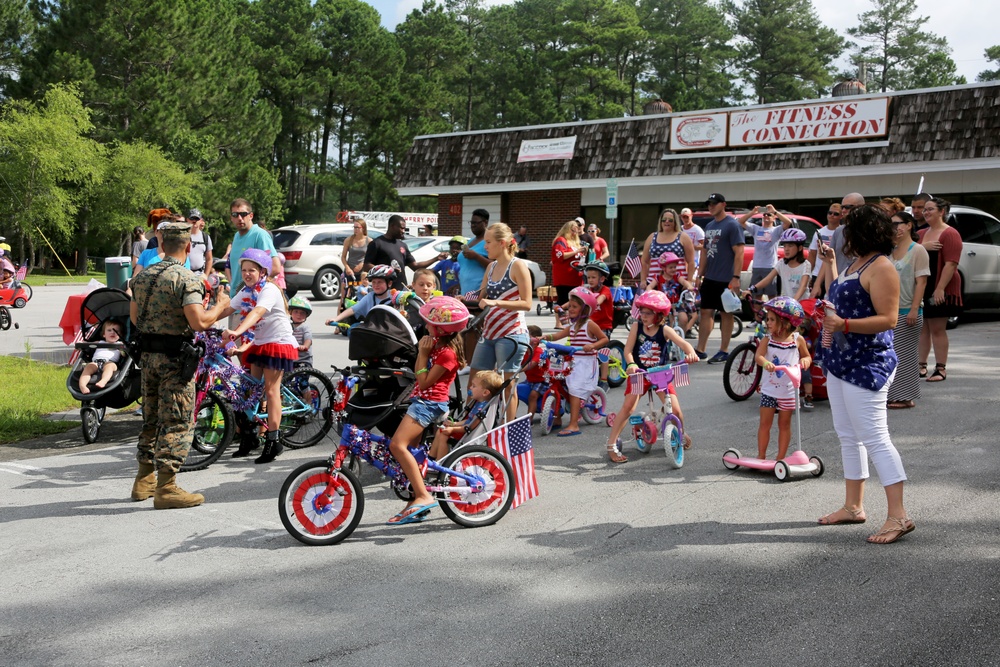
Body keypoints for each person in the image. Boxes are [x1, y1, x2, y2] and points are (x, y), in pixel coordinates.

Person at [816, 204, 913, 545]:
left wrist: (843, 324)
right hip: (843, 360)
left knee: (874, 437)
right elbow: (841, 296)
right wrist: (830, 266)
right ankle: (854, 506)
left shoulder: (882, 267)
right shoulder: (858, 263)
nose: (842, 233)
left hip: (867, 363)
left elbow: (888, 320)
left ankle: (898, 515)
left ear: (861, 232)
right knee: (848, 435)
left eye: (847, 227)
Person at [129, 222, 230, 509]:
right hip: (175, 360)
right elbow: (198, 321)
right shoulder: (186, 279)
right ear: (188, 247)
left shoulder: (142, 277)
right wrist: (221, 306)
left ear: (161, 245)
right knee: (177, 420)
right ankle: (167, 488)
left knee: (151, 417)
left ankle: (143, 480)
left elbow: (135, 319)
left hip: (148, 358)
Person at [387, 295, 468, 526]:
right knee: (413, 454)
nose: (426, 325)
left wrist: (422, 355)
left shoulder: (447, 354)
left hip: (429, 404)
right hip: (422, 401)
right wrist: (423, 355)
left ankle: (423, 496)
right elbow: (417, 372)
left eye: (431, 323)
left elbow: (423, 382)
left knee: (397, 445)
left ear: (442, 329)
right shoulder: (436, 346)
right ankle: (415, 502)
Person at [220, 249, 299, 464]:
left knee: (271, 391)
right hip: (260, 343)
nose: (247, 274)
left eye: (251, 270)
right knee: (249, 389)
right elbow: (227, 309)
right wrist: (200, 321)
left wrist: (236, 331)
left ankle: (274, 441)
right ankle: (249, 436)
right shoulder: (247, 291)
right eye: (244, 270)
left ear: (262, 271)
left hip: (278, 343)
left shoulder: (270, 290)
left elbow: (256, 313)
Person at [604, 290, 697, 463]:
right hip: (640, 374)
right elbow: (628, 350)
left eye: (648, 313)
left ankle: (680, 433)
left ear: (659, 315)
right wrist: (631, 363)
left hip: (660, 374)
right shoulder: (636, 327)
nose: (643, 316)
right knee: (628, 407)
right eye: (642, 312)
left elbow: (684, 344)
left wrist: (691, 353)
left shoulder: (665, 330)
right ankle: (611, 444)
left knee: (675, 410)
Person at [471, 223, 532, 422]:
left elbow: (527, 303)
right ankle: (473, 425)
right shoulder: (491, 266)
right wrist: (461, 299)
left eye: (488, 242)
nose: (485, 247)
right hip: (489, 333)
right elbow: (480, 296)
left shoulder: (518, 266)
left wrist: (496, 302)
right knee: (476, 381)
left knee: (508, 386)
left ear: (502, 243)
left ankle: (506, 430)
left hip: (511, 334)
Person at [538, 287, 609, 437]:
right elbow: (558, 335)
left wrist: (593, 346)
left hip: (585, 363)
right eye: (569, 306)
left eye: (574, 307)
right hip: (572, 360)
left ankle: (574, 424)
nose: (570, 309)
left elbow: (604, 339)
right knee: (558, 382)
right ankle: (557, 418)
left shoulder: (590, 325)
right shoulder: (572, 326)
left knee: (575, 389)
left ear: (585, 310)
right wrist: (546, 338)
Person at [754, 297, 812, 460]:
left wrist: (804, 361)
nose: (768, 323)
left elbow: (807, 357)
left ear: (785, 322)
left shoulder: (797, 339)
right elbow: (758, 355)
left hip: (788, 391)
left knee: (784, 424)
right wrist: (765, 363)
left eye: (772, 319)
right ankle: (761, 455)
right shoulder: (768, 339)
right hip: (769, 390)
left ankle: (780, 458)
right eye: (767, 319)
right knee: (765, 424)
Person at [887, 211, 929, 409]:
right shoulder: (889, 250)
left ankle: (904, 396)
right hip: (890, 311)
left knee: (905, 355)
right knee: (893, 354)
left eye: (898, 224)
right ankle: (897, 395)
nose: (895, 228)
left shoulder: (918, 250)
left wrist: (914, 309)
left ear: (909, 225)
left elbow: (921, 283)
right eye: (892, 225)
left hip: (908, 311)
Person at [696, 193, 744, 364]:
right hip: (710, 276)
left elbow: (739, 252)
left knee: (726, 313)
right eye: (709, 204)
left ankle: (724, 350)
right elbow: (704, 252)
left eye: (714, 204)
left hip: (727, 278)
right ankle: (700, 350)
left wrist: (736, 277)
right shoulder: (709, 226)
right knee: (705, 311)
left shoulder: (732, 225)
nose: (711, 206)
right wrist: (700, 274)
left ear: (723, 204)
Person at [918, 197, 962, 383]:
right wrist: (923, 247)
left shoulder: (950, 233)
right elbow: (908, 253)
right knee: (922, 328)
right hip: (922, 286)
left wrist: (940, 289)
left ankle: (940, 369)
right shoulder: (920, 234)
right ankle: (921, 366)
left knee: (937, 328)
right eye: (924, 210)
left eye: (930, 209)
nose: (925, 212)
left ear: (941, 211)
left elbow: (951, 264)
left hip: (940, 285)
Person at [429, 370, 503, 460]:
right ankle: (431, 457)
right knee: (441, 429)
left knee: (444, 434)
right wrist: (453, 424)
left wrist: (452, 429)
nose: (470, 388)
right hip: (465, 430)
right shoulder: (478, 402)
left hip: (468, 434)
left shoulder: (482, 409)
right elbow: (468, 420)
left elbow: (469, 426)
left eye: (474, 386)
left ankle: (440, 461)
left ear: (485, 393)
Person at [364, 214, 444, 292]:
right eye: (401, 228)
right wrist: (386, 271)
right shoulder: (377, 243)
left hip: (401, 290)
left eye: (404, 229)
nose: (403, 231)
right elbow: (366, 265)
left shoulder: (402, 245)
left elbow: (415, 267)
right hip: (384, 291)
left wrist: (436, 258)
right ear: (392, 226)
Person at [226, 199, 280, 303]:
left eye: (243, 214)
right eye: (235, 215)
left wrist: (249, 287)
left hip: (253, 303)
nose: (240, 218)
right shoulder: (236, 236)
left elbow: (275, 267)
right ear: (231, 218)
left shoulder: (260, 235)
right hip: (235, 302)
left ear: (251, 216)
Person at [736, 204, 793, 298]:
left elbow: (788, 222)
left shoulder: (776, 230)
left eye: (769, 215)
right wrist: (752, 213)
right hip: (757, 267)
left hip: (770, 267)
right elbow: (740, 221)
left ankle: (771, 313)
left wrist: (775, 211)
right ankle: (757, 313)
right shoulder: (756, 229)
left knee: (772, 296)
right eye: (764, 215)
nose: (766, 216)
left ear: (774, 218)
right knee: (756, 295)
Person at [747, 228, 811, 301]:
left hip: (800, 305)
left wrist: (793, 302)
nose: (786, 249)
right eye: (785, 246)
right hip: (786, 304)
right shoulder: (781, 263)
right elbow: (767, 279)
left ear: (800, 248)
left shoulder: (806, 265)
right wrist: (751, 289)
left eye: (790, 246)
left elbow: (803, 286)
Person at [328, 264, 397, 330]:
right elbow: (353, 309)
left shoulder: (396, 296)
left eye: (379, 282)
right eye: (373, 282)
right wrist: (336, 319)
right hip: (374, 333)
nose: (376, 285)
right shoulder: (370, 297)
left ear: (389, 283)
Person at [642, 208, 695, 288]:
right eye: (664, 220)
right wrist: (643, 280)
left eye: (670, 220)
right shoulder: (652, 237)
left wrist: (689, 281)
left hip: (677, 283)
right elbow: (644, 261)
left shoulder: (683, 236)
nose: (667, 222)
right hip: (654, 283)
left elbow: (691, 261)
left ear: (675, 222)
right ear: (660, 221)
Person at [584, 261, 614, 391]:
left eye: (593, 277)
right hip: (590, 326)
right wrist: (562, 307)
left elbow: (600, 299)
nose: (590, 280)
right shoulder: (588, 290)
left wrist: (593, 303)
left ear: (602, 279)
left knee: (602, 352)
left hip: (603, 326)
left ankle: (604, 380)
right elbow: (577, 299)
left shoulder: (605, 290)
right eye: (588, 277)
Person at [78, 319, 124, 394]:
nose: (112, 332)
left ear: (120, 335)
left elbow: (125, 354)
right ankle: (82, 385)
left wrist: (123, 350)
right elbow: (88, 344)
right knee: (88, 367)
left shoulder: (120, 344)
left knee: (109, 367)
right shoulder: (99, 342)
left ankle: (103, 381)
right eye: (109, 330)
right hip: (96, 362)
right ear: (104, 334)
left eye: (116, 331)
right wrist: (82, 344)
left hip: (111, 363)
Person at [551, 219, 586, 312]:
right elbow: (560, 255)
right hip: (564, 277)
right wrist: (576, 251)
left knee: (575, 301)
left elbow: (579, 259)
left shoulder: (575, 243)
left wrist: (584, 253)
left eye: (576, 231)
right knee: (563, 301)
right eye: (572, 231)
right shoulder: (561, 240)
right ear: (567, 230)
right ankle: (559, 323)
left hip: (576, 277)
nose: (574, 233)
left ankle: (571, 322)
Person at [807, 203, 842, 297]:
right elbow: (812, 255)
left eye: (836, 214)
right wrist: (808, 274)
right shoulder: (819, 232)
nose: (832, 215)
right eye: (830, 213)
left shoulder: (842, 232)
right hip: (817, 274)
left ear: (841, 216)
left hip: (833, 273)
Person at [340, 219, 371, 309]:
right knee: (345, 297)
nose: (355, 229)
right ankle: (341, 315)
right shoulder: (349, 240)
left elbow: (371, 257)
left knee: (361, 295)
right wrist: (347, 268)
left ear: (363, 228)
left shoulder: (369, 241)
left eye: (358, 227)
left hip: (362, 273)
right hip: (350, 272)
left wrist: (362, 263)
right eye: (354, 227)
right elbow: (343, 257)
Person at [521, 324, 549, 416]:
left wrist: (517, 370)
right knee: (513, 390)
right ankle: (512, 418)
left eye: (527, 336)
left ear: (536, 340)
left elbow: (531, 364)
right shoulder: (524, 351)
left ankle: (529, 421)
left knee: (532, 396)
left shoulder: (539, 351)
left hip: (542, 380)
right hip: (530, 380)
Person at [288, 295, 314, 369]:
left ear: (306, 315)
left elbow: (308, 340)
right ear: (290, 312)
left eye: (302, 313)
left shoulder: (305, 327)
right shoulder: (288, 326)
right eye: (296, 312)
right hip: (290, 359)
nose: (299, 314)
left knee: (302, 378)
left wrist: (305, 346)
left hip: (303, 360)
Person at [187, 209, 213, 274]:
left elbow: (209, 259)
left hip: (199, 274)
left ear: (201, 221)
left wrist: (206, 276)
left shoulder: (206, 237)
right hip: (185, 273)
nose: (194, 221)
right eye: (192, 218)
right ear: (187, 220)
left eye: (196, 219)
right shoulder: (182, 236)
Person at [680, 208, 705, 273]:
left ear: (691, 216)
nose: (685, 219)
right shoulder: (680, 229)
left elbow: (705, 246)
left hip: (694, 263)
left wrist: (693, 247)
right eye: (683, 217)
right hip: (681, 262)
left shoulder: (697, 230)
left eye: (687, 217)